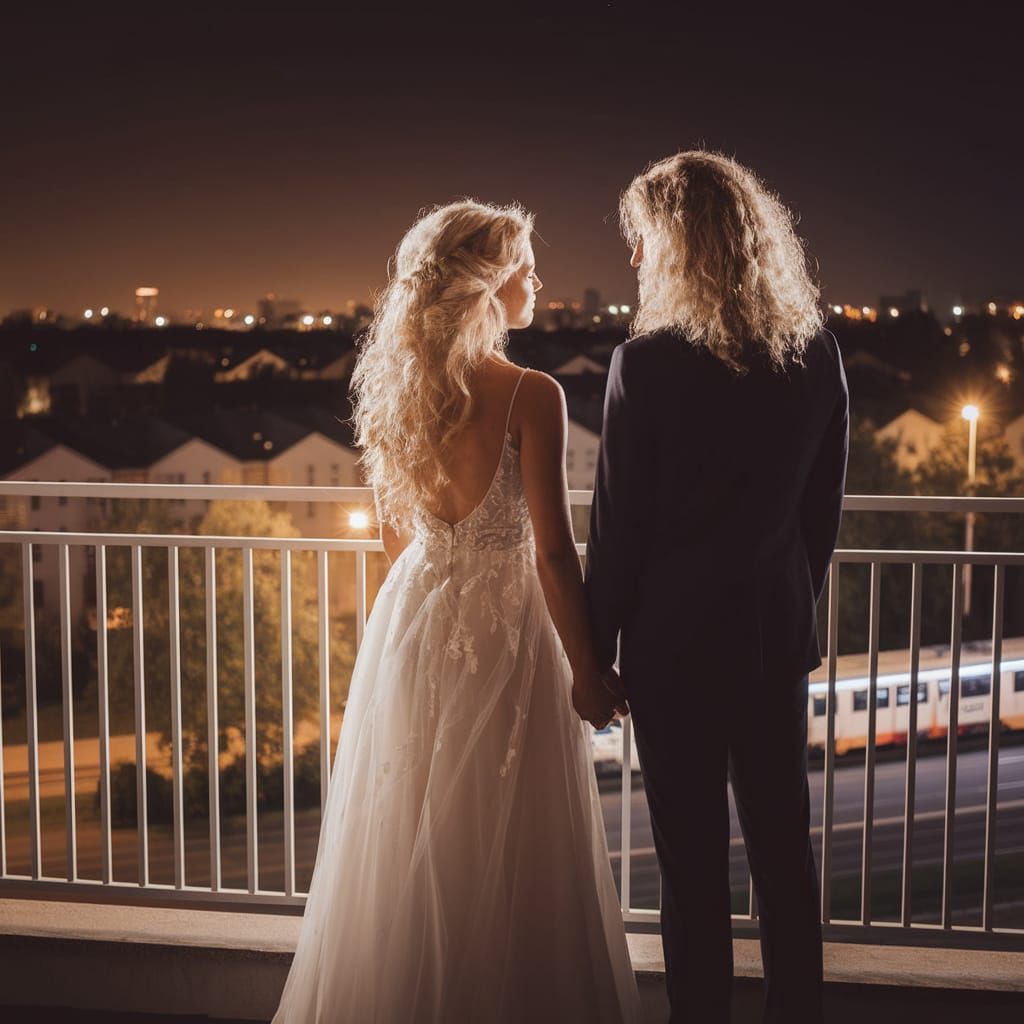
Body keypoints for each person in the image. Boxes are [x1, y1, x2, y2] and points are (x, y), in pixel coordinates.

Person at [271, 199, 642, 1023]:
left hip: (414, 617)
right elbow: (553, 552)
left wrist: (396, 650)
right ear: (489, 285)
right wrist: (589, 669)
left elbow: (392, 545)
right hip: (504, 627)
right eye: (524, 266)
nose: (538, 279)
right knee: (510, 837)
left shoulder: (395, 394)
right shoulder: (531, 394)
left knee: (413, 833)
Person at [585, 151, 849, 1023]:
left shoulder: (646, 364)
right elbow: (821, 521)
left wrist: (594, 651)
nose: (635, 259)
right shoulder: (815, 355)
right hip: (772, 640)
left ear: (676, 243)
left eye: (644, 238)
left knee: (690, 867)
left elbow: (619, 529)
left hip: (673, 650)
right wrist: (784, 603)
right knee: (785, 857)